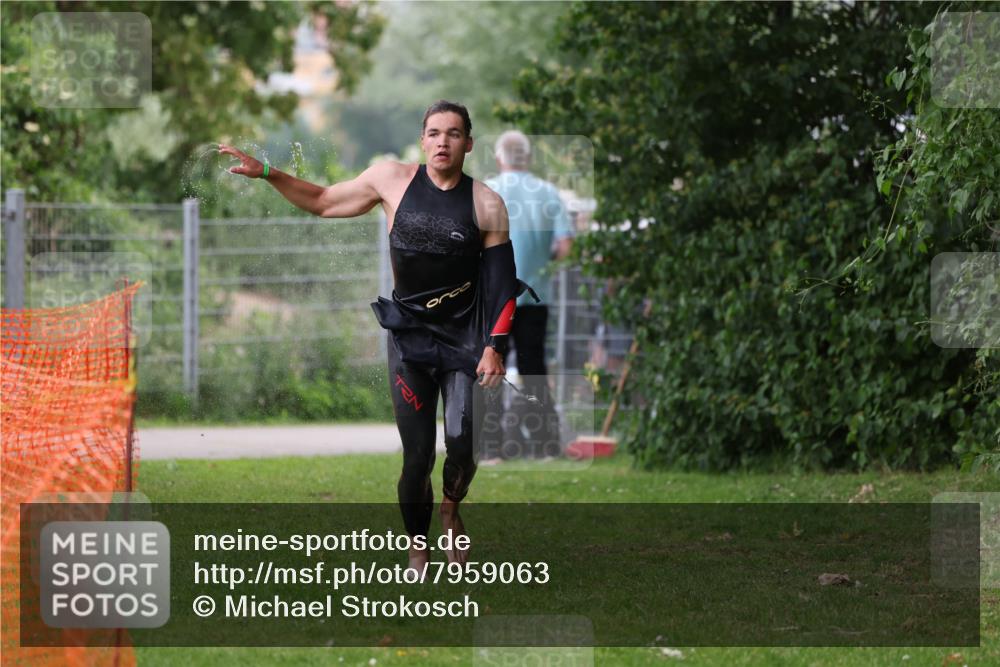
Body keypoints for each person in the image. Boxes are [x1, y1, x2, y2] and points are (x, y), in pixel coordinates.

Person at [218, 100, 533, 574]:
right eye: (433, 133)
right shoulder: (391, 180)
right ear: (422, 139)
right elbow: (324, 202)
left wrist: (494, 347)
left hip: (465, 339)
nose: (442, 141)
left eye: (452, 134)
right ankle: (418, 547)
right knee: (417, 457)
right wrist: (267, 172)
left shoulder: (486, 203)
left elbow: (503, 285)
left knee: (463, 443)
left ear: (469, 143)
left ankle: (451, 506)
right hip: (410, 337)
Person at [485, 131, 573, 458]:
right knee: (534, 370)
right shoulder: (549, 193)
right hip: (537, 298)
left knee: (491, 369)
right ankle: (546, 445)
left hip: (495, 299)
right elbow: (565, 247)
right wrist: (540, 261)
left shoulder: (488, 190)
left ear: (499, 159)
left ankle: (491, 448)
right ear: (528, 158)